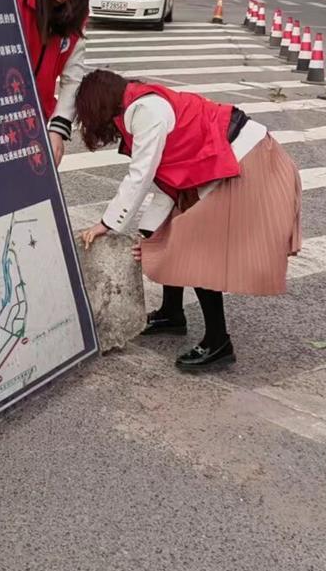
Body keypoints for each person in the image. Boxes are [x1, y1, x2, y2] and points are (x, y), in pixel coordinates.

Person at [72, 70, 301, 370]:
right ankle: (172, 313)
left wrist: (106, 224)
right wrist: (151, 234)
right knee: (169, 231)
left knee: (195, 246)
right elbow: (168, 181)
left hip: (246, 159)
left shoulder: (145, 111)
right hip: (227, 158)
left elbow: (140, 176)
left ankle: (219, 342)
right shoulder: (138, 102)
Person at [12, 0, 95, 167]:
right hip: (1, 111)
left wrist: (58, 128)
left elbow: (73, 76)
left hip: (38, 117)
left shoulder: (76, 12)